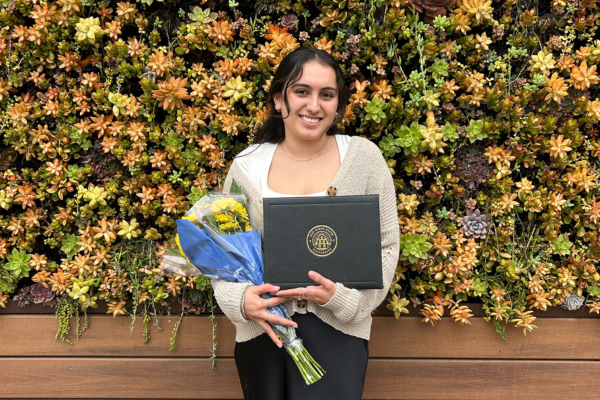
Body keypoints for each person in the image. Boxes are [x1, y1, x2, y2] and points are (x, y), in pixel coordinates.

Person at [212, 47, 399, 399]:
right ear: (279, 99)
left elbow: (386, 246)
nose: (314, 105)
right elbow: (226, 255)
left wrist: (345, 301)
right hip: (264, 333)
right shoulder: (247, 165)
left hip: (339, 335)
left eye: (326, 95)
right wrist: (241, 302)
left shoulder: (363, 158)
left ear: (338, 106)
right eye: (302, 91)